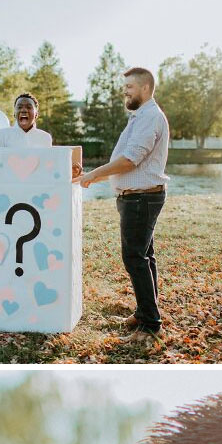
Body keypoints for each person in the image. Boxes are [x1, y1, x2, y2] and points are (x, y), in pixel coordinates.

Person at [80, 68, 169, 339]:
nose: (125, 91)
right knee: (144, 256)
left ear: (144, 88)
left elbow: (130, 159)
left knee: (135, 258)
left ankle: (150, 326)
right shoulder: (140, 116)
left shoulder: (149, 117)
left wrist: (94, 175)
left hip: (141, 198)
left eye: (129, 87)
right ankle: (145, 313)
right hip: (137, 196)